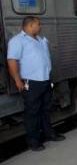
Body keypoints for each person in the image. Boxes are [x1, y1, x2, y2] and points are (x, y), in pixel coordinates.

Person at [7, 16, 65, 151]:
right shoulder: (17, 41)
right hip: (31, 82)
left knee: (46, 110)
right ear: (30, 25)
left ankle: (49, 134)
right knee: (32, 112)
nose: (40, 27)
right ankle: (33, 141)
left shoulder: (40, 39)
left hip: (45, 80)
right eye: (38, 24)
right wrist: (17, 80)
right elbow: (12, 61)